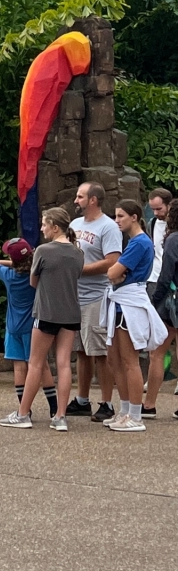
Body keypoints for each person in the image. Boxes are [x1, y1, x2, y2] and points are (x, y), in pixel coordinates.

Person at [0, 207, 83, 431]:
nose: (42, 228)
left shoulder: (43, 251)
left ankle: (23, 413)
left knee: (35, 363)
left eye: (45, 224)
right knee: (64, 363)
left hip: (46, 312)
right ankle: (60, 416)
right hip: (71, 312)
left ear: (55, 227)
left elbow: (33, 282)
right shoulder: (78, 252)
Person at [100, 200, 166, 432]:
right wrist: (116, 274)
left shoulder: (139, 243)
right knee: (115, 359)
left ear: (134, 217)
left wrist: (116, 273)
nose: (117, 221)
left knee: (129, 361)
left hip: (129, 304)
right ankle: (125, 410)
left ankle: (135, 415)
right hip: (120, 303)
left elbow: (112, 272)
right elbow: (114, 274)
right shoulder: (135, 242)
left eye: (120, 216)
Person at [65, 182, 122, 423]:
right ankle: (82, 400)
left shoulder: (108, 227)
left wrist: (81, 270)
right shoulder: (74, 225)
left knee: (100, 351)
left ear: (93, 200)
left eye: (80, 196)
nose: (75, 200)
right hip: (74, 296)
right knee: (81, 350)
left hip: (97, 296)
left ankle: (107, 403)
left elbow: (112, 261)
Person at [0, 237, 58, 418]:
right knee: (42, 366)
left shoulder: (8, 275)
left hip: (13, 327)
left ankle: (24, 410)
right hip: (33, 326)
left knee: (19, 367)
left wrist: (14, 263)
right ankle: (54, 409)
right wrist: (31, 259)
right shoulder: (36, 275)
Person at [143, 197, 178, 418]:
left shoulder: (173, 239)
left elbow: (165, 276)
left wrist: (155, 300)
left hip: (173, 300)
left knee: (158, 353)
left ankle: (149, 405)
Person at [146, 188, 172, 300]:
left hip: (171, 280)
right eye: (153, 209)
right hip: (153, 278)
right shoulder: (152, 223)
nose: (156, 213)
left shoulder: (173, 225)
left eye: (159, 209)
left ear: (169, 205)